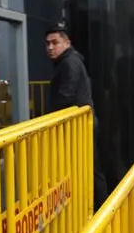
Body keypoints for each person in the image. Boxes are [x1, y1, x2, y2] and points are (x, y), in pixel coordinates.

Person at [44, 24, 109, 208]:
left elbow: (67, 94)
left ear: (67, 42)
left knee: (88, 168)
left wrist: (48, 118)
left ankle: (99, 209)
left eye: (55, 42)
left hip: (80, 126)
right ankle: (99, 209)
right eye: (47, 43)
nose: (50, 47)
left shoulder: (68, 62)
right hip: (81, 124)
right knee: (89, 167)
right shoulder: (70, 61)